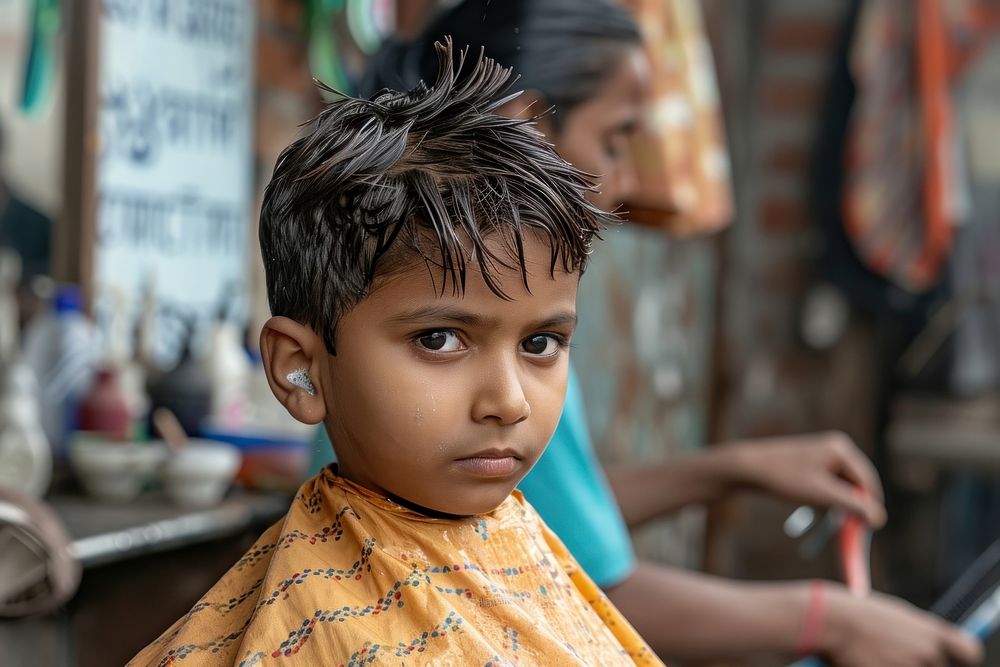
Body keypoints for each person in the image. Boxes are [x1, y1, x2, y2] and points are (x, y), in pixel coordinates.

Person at [358, 1, 985, 665]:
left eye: (545, 343)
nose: (625, 183)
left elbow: (535, 521)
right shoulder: (477, 321)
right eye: (617, 139)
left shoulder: (467, 310)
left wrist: (733, 469)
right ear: (531, 128)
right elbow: (582, 590)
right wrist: (830, 620)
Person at [130, 43, 663, 666]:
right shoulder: (313, 633)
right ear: (297, 370)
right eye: (439, 340)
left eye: (540, 343)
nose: (509, 402)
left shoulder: (520, 536)